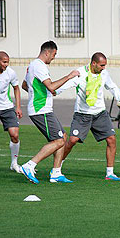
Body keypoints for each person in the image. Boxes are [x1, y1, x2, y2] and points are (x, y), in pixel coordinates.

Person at [55, 52, 120, 181]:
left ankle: (110, 173)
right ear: (93, 63)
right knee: (72, 140)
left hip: (100, 113)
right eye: (101, 65)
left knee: (111, 139)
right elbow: (65, 86)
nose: (104, 68)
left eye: (105, 65)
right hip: (82, 114)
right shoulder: (80, 73)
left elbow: (111, 86)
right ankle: (57, 168)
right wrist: (53, 91)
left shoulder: (104, 74)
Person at [20, 41, 80, 184]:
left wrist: (39, 92)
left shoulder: (32, 65)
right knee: (59, 141)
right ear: (47, 52)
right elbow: (51, 86)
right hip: (41, 110)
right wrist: (69, 76)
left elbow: (24, 85)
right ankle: (29, 165)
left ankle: (56, 173)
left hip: (42, 109)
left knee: (62, 136)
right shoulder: (39, 66)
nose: (54, 58)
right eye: (54, 54)